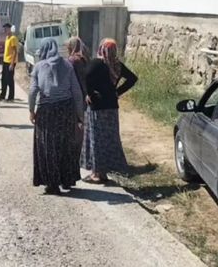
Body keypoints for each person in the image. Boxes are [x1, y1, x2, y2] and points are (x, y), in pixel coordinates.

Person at [29, 38, 84, 195]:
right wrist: (80, 116)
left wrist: (31, 110)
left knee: (48, 147)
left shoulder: (39, 67)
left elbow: (33, 91)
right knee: (66, 145)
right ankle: (66, 179)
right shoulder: (67, 65)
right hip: (66, 111)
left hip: (46, 111)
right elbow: (77, 93)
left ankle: (52, 183)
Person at [81, 38, 138, 184]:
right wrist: (118, 92)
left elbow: (85, 77)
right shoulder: (117, 65)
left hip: (97, 108)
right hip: (111, 107)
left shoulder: (96, 64)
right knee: (109, 138)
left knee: (97, 139)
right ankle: (105, 172)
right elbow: (133, 78)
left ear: (101, 49)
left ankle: (97, 174)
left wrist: (90, 94)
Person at [66, 37, 89, 160]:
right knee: (83, 122)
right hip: (85, 93)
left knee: (76, 123)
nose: (67, 48)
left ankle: (77, 151)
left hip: (75, 95)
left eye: (68, 46)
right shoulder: (84, 58)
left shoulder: (72, 60)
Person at [0, 23, 18, 102]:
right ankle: (2, 95)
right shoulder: (7, 38)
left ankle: (11, 97)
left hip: (10, 62)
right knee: (4, 79)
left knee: (10, 80)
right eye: (4, 29)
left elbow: (14, 51)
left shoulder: (13, 38)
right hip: (5, 61)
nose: (5, 30)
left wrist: (12, 64)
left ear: (10, 29)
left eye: (6, 28)